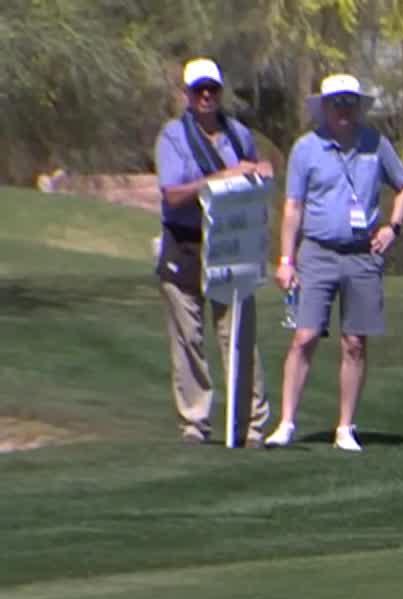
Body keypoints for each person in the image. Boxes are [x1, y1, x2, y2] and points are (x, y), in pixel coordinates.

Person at [265, 74, 403, 453]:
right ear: (325, 108)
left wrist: (393, 228)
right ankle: (286, 422)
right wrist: (286, 259)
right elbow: (293, 207)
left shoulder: (374, 144)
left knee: (354, 343)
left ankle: (345, 427)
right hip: (316, 251)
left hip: (362, 254)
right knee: (305, 337)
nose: (344, 109)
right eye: (337, 103)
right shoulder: (306, 148)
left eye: (350, 102)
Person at [154, 58, 274, 445]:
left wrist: (260, 171)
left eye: (212, 90)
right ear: (187, 95)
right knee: (188, 338)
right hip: (185, 241)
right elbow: (172, 193)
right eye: (198, 90)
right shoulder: (172, 137)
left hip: (231, 243)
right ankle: (195, 422)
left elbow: (252, 181)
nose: (206, 96)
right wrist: (219, 178)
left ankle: (251, 424)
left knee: (238, 335)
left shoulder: (238, 135)